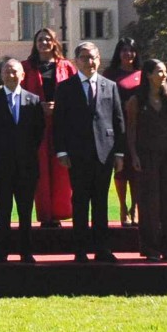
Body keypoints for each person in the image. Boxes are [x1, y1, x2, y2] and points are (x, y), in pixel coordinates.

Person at [54, 42, 125, 263]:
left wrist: (120, 153)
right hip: (77, 154)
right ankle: (80, 249)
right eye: (84, 57)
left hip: (105, 153)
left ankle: (102, 249)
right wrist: (61, 151)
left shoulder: (109, 86)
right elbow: (59, 122)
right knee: (80, 202)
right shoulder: (65, 88)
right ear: (76, 61)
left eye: (93, 57)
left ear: (99, 59)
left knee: (101, 202)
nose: (89, 61)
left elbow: (118, 120)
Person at [0, 59, 45, 263]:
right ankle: (2, 252)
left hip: (27, 166)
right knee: (3, 211)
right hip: (2, 166)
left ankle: (26, 252)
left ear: (22, 75)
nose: (10, 75)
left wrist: (25, 153)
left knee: (25, 212)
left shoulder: (33, 101)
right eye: (6, 71)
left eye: (14, 71)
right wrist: (0, 152)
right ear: (1, 75)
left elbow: (38, 132)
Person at [125, 59, 167, 262]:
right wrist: (133, 154)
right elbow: (131, 129)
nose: (163, 75)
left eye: (165, 71)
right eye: (159, 71)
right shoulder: (136, 101)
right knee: (149, 203)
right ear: (148, 75)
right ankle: (151, 249)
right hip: (146, 155)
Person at [20, 27, 76, 227]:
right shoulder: (26, 67)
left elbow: (74, 94)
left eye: (47, 39)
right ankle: (45, 215)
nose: (44, 43)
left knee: (61, 169)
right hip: (37, 125)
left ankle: (59, 213)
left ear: (54, 43)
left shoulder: (66, 66)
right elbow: (19, 95)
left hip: (61, 124)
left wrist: (57, 107)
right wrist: (39, 107)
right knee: (41, 171)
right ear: (35, 44)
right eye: (40, 40)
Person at [103, 37, 142, 227]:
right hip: (117, 127)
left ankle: (135, 207)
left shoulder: (142, 74)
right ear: (118, 53)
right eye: (124, 50)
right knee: (120, 169)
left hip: (138, 128)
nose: (128, 53)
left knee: (136, 169)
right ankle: (122, 206)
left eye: (131, 50)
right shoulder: (110, 74)